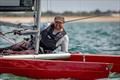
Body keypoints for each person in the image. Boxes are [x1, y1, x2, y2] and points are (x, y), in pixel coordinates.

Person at [0, 16, 69, 53]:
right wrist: (21, 32)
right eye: (56, 22)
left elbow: (64, 52)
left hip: (40, 53)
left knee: (10, 52)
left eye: (60, 23)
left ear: (63, 23)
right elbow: (34, 30)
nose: (58, 25)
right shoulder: (47, 26)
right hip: (29, 44)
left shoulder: (64, 37)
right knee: (6, 49)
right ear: (54, 22)